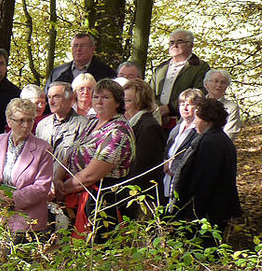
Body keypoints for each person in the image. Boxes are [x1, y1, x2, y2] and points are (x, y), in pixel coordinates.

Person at [54, 79, 135, 238]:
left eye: (105, 97)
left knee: (96, 251)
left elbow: (92, 174)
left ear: (118, 102)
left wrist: (63, 188)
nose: (99, 101)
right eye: (96, 96)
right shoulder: (92, 122)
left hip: (102, 204)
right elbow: (71, 151)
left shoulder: (119, 133)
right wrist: (57, 178)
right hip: (76, 195)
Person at [171, 97, 241, 246]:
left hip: (208, 213)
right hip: (213, 210)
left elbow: (203, 181)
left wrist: (192, 212)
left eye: (197, 118)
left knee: (200, 252)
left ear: (207, 120)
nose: (195, 121)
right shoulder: (217, 139)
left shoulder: (211, 143)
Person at [0, 99, 55, 235]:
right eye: (21, 120)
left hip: (27, 219)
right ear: (9, 121)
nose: (26, 125)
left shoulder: (43, 148)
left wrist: (12, 199)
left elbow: (42, 187)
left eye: (30, 120)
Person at [122, 79, 166, 210]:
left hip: (141, 200)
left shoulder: (149, 127)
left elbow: (143, 170)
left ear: (140, 102)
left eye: (128, 101)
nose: (123, 105)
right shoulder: (131, 124)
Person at [151, 29, 211, 119]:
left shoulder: (200, 67)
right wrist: (158, 109)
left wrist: (170, 108)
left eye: (179, 42)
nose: (174, 45)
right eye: (171, 43)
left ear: (191, 45)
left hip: (185, 118)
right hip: (157, 118)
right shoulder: (161, 68)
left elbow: (200, 93)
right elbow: (150, 92)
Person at [163, 88, 204, 201]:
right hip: (167, 184)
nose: (184, 108)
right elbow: (166, 152)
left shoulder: (199, 131)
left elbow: (192, 159)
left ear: (198, 108)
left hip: (185, 187)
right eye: (182, 104)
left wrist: (170, 166)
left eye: (189, 105)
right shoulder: (176, 128)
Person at [36, 82, 88, 163]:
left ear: (70, 99)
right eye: (49, 97)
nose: (51, 102)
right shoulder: (42, 125)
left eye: (56, 97)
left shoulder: (83, 125)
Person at [47, 32, 115, 86]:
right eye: (75, 46)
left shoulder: (106, 73)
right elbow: (47, 97)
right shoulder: (57, 73)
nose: (78, 49)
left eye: (83, 46)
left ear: (92, 49)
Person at [202, 70, 240, 140]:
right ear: (206, 84)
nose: (219, 85)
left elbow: (229, 134)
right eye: (216, 81)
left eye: (223, 82)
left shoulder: (231, 108)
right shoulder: (198, 104)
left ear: (226, 87)